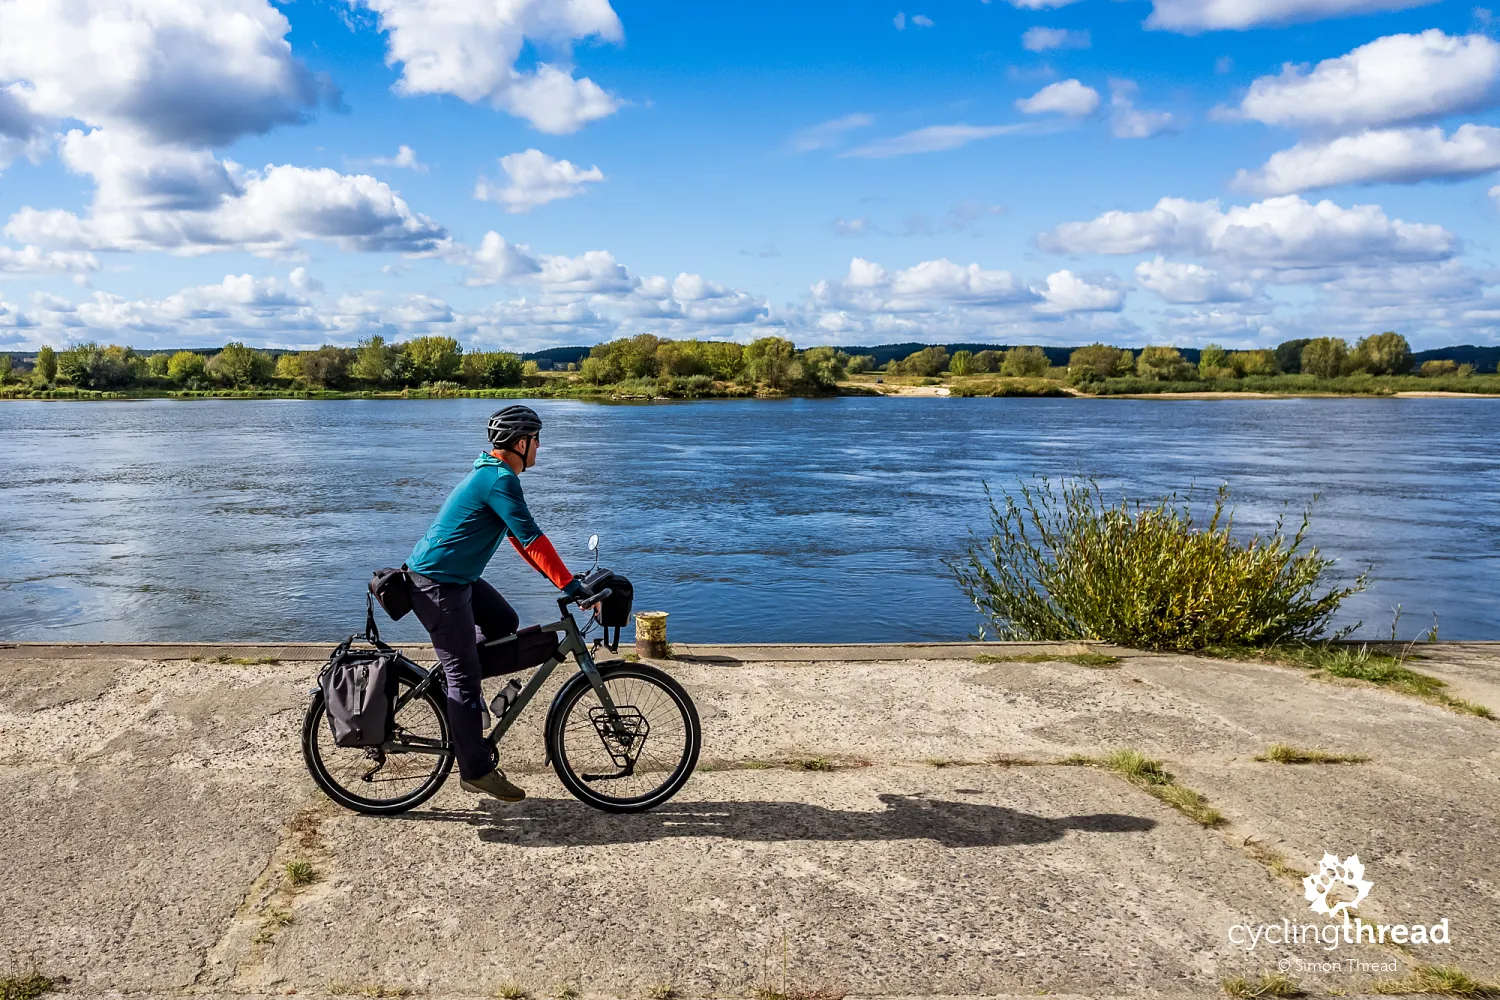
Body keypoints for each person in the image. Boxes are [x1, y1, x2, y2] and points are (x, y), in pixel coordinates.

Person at [405, 405, 586, 803]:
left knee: (504, 622)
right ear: (522, 443)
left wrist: (564, 580)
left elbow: (520, 540)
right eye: (537, 439)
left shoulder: (494, 475)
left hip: (457, 580)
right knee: (465, 677)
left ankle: (460, 695)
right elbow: (533, 537)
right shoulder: (499, 480)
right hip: (437, 585)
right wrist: (569, 585)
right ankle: (475, 769)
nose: (540, 446)